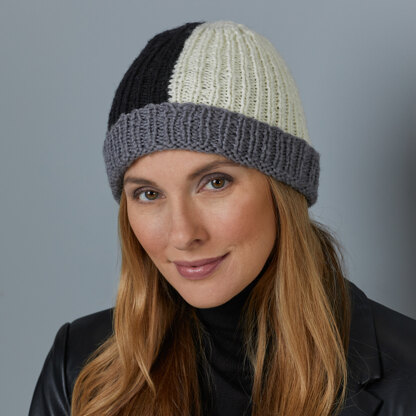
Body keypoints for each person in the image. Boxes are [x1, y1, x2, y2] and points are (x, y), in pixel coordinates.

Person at [29, 20, 416, 416]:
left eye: (215, 183)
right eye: (148, 194)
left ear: (283, 189)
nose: (183, 234)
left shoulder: (407, 374)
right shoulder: (77, 369)